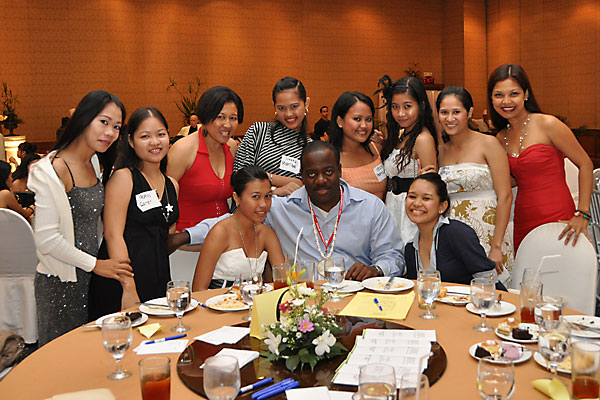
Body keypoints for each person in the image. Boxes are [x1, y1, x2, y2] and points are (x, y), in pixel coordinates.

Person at [178, 141, 404, 280]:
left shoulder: (370, 207)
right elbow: (233, 222)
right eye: (311, 174)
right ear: (301, 175)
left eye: (328, 172)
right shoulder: (282, 208)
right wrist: (184, 236)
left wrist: (377, 269)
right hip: (300, 305)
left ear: (339, 170)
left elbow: (393, 256)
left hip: (355, 299)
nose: (321, 180)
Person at [27, 90, 133, 346]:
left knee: (93, 352)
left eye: (116, 127)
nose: (110, 132)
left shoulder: (94, 161)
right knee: (62, 355)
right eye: (103, 122)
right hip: (61, 281)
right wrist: (96, 264)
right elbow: (47, 239)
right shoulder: (52, 169)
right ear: (84, 118)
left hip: (91, 277)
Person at [487, 64, 593, 250]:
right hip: (523, 219)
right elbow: (510, 181)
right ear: (491, 99)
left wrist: (583, 213)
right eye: (499, 95)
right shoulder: (500, 138)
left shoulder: (548, 124)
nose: (506, 101)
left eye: (514, 94)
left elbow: (585, 163)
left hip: (558, 215)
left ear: (526, 94)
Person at [89, 107, 179, 318]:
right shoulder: (124, 178)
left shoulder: (172, 185)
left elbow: (164, 234)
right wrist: (128, 286)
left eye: (160, 134)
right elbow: (113, 235)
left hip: (157, 279)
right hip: (122, 283)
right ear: (130, 141)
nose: (155, 142)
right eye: (145, 136)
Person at [436, 86, 513, 284]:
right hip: (453, 233)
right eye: (444, 112)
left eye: (456, 112)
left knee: (490, 291)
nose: (450, 118)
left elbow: (505, 196)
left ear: (469, 112)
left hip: (487, 230)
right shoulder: (441, 151)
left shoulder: (489, 143)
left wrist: (497, 246)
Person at [192, 166, 284, 290]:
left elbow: (284, 279)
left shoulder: (266, 233)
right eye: (255, 196)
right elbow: (198, 289)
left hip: (254, 300)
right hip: (218, 300)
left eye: (267, 196)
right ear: (236, 198)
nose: (263, 204)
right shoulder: (220, 232)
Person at [167, 86, 243, 231]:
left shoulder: (232, 147)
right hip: (186, 237)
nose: (227, 124)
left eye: (233, 118)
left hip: (224, 234)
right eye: (220, 117)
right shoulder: (183, 149)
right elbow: (165, 197)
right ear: (206, 117)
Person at [375, 75, 438, 243]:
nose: (400, 113)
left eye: (407, 106)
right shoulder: (403, 135)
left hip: (410, 213)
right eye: (395, 107)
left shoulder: (422, 139)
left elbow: (431, 188)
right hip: (393, 207)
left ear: (421, 105)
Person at [404, 173, 498, 285]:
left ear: (442, 206)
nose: (417, 203)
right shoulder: (410, 248)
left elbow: (487, 280)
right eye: (412, 197)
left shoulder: (457, 233)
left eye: (426, 198)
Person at [233, 76, 308, 196]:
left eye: (294, 106)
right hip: (253, 206)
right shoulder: (258, 131)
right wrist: (273, 190)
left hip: (292, 207)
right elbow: (239, 176)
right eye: (281, 108)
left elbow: (305, 186)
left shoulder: (310, 147)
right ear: (274, 106)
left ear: (306, 103)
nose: (288, 113)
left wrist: (260, 176)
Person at [328, 91, 386, 200]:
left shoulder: (376, 149)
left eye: (368, 119)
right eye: (357, 119)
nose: (364, 125)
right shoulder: (330, 159)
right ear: (340, 121)